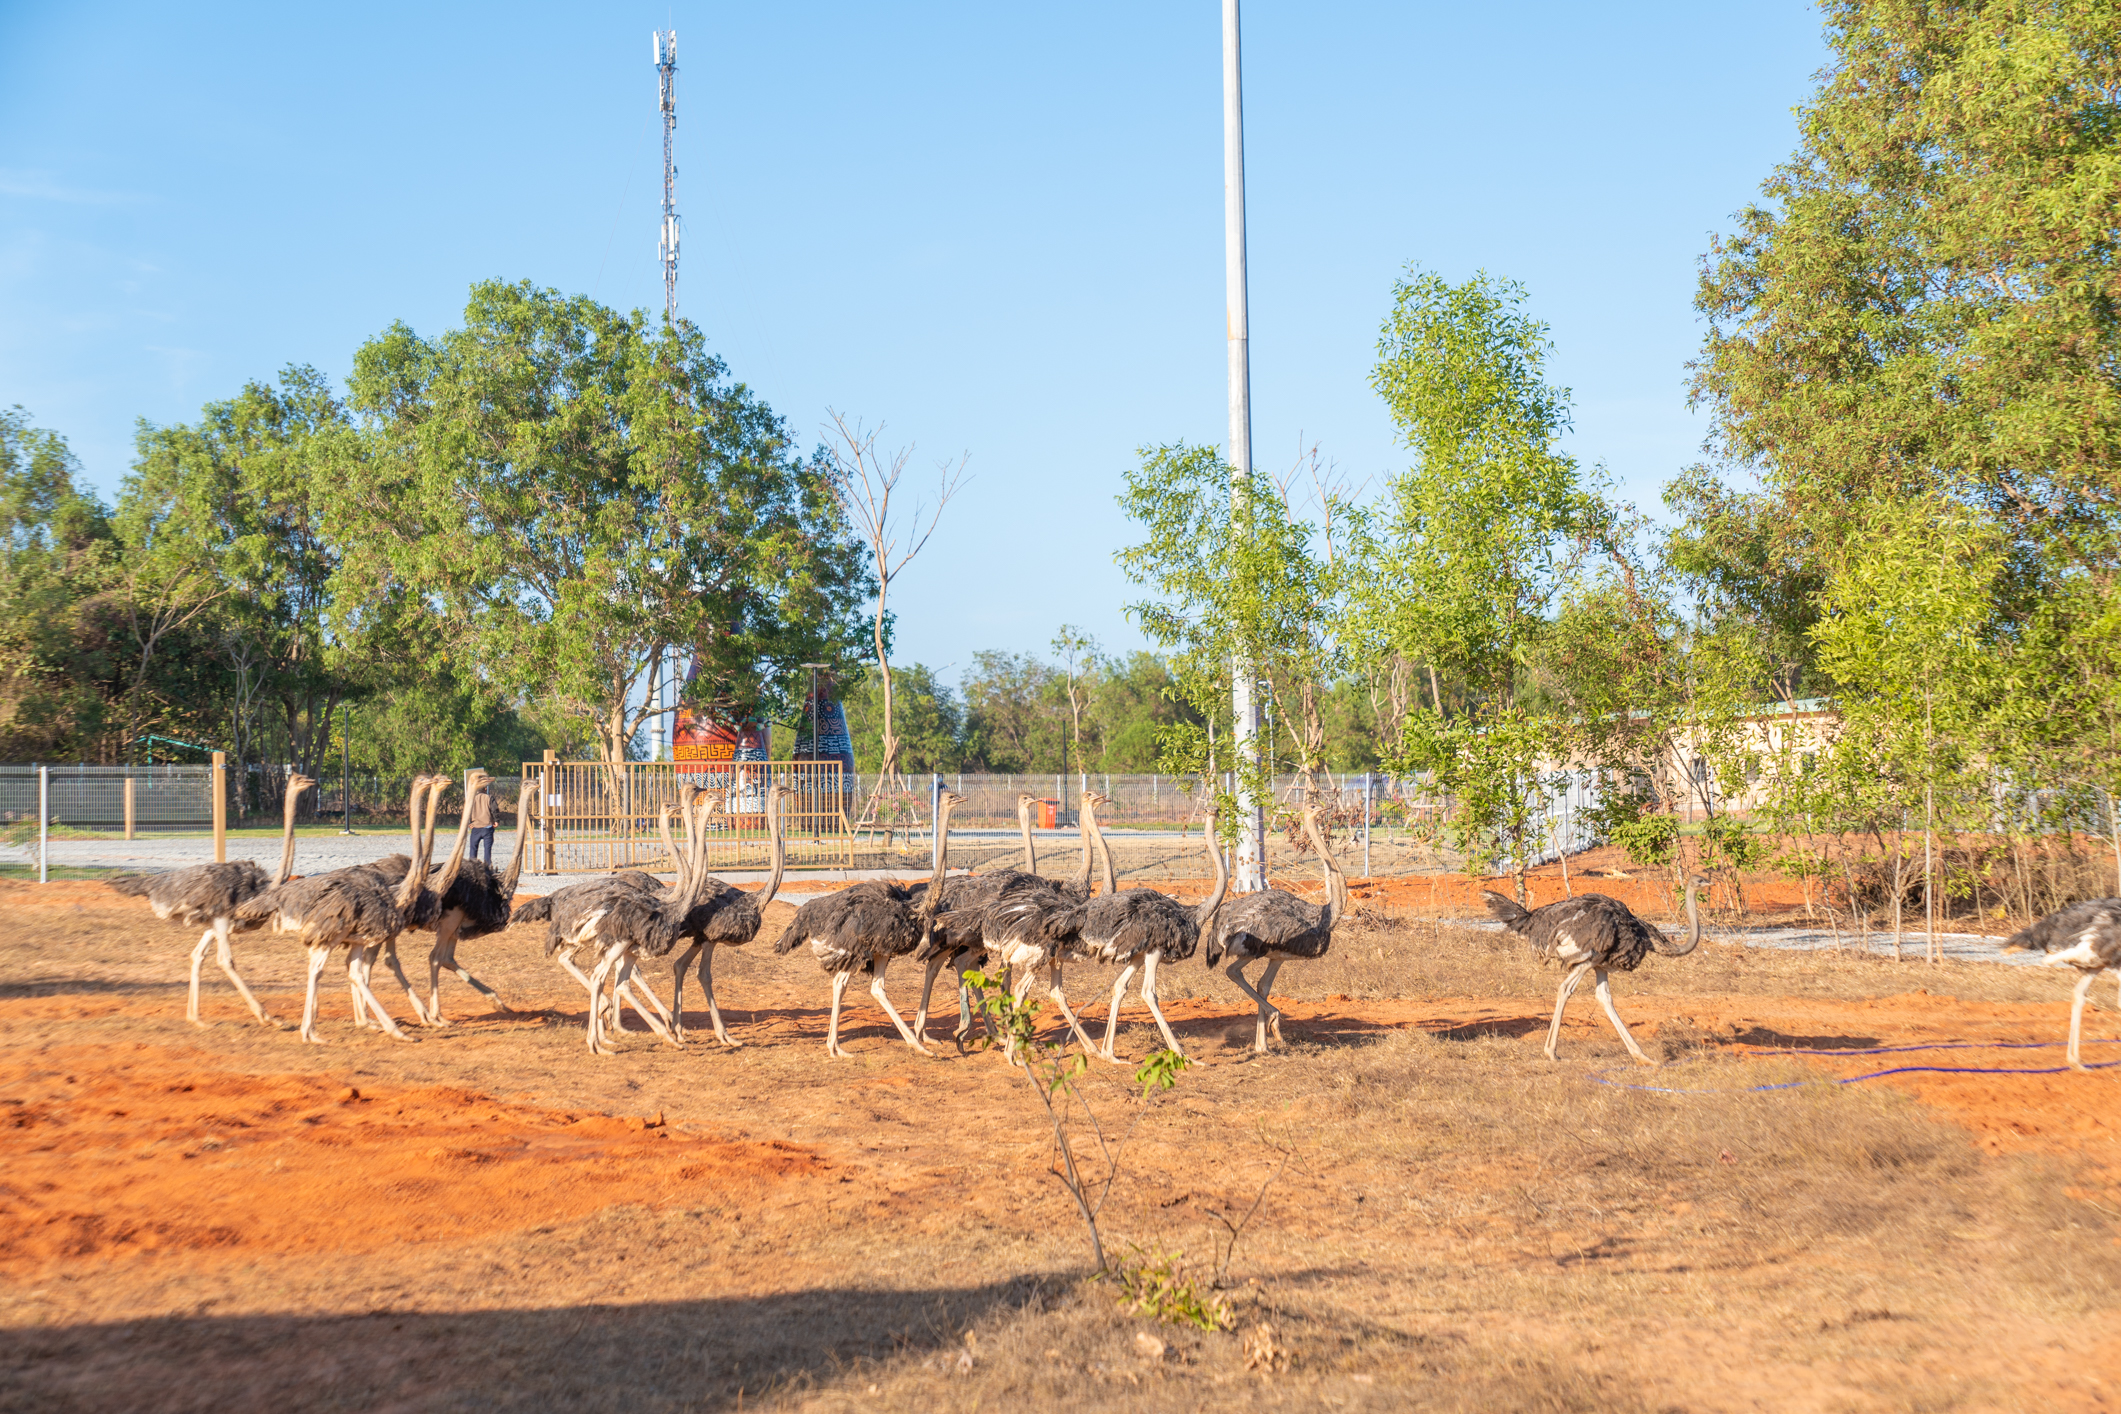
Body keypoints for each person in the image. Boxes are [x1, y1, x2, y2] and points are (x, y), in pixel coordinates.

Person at [464, 771, 497, 868]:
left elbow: (467, 811)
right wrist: (496, 820)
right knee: (487, 849)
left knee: (473, 848)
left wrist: (469, 822)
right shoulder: (489, 797)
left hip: (476, 827)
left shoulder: (472, 799)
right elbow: (494, 810)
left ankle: (472, 866)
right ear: (485, 788)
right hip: (487, 826)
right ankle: (487, 866)